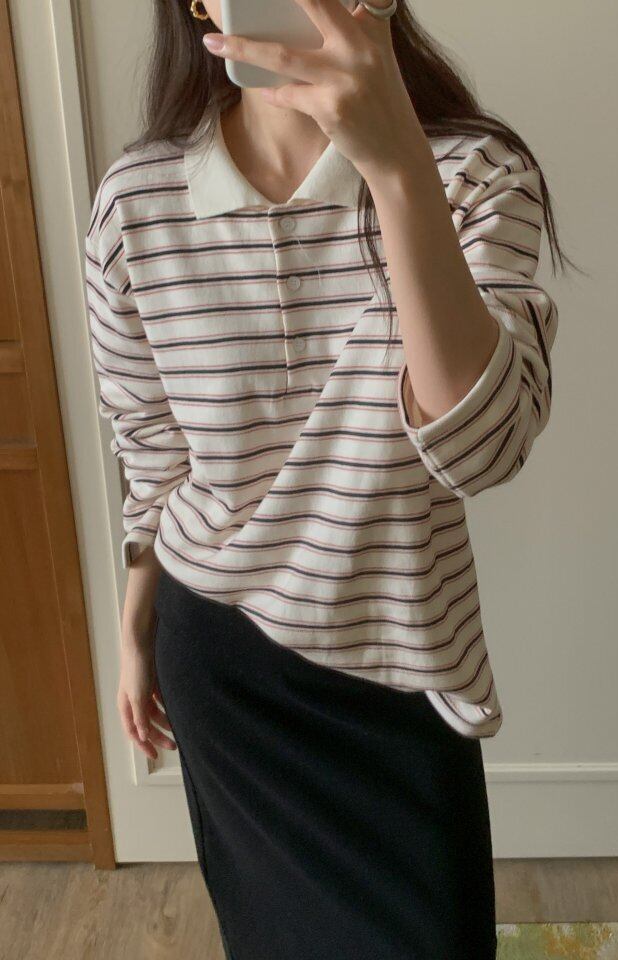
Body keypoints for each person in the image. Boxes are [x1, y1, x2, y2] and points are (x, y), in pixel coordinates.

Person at [84, 1, 569, 956]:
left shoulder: (473, 173)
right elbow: (151, 448)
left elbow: (483, 450)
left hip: (402, 662)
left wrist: (397, 170)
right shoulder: (135, 203)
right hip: (223, 662)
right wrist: (136, 627)